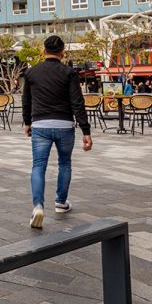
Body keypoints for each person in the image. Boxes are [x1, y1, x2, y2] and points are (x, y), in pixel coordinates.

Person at [22, 35, 93, 229]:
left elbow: (26, 101)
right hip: (64, 126)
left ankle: (38, 206)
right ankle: (61, 203)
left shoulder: (31, 72)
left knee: (38, 166)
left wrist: (27, 122)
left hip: (40, 125)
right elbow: (77, 103)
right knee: (64, 163)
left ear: (43, 51)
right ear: (62, 52)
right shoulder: (68, 73)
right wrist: (86, 131)